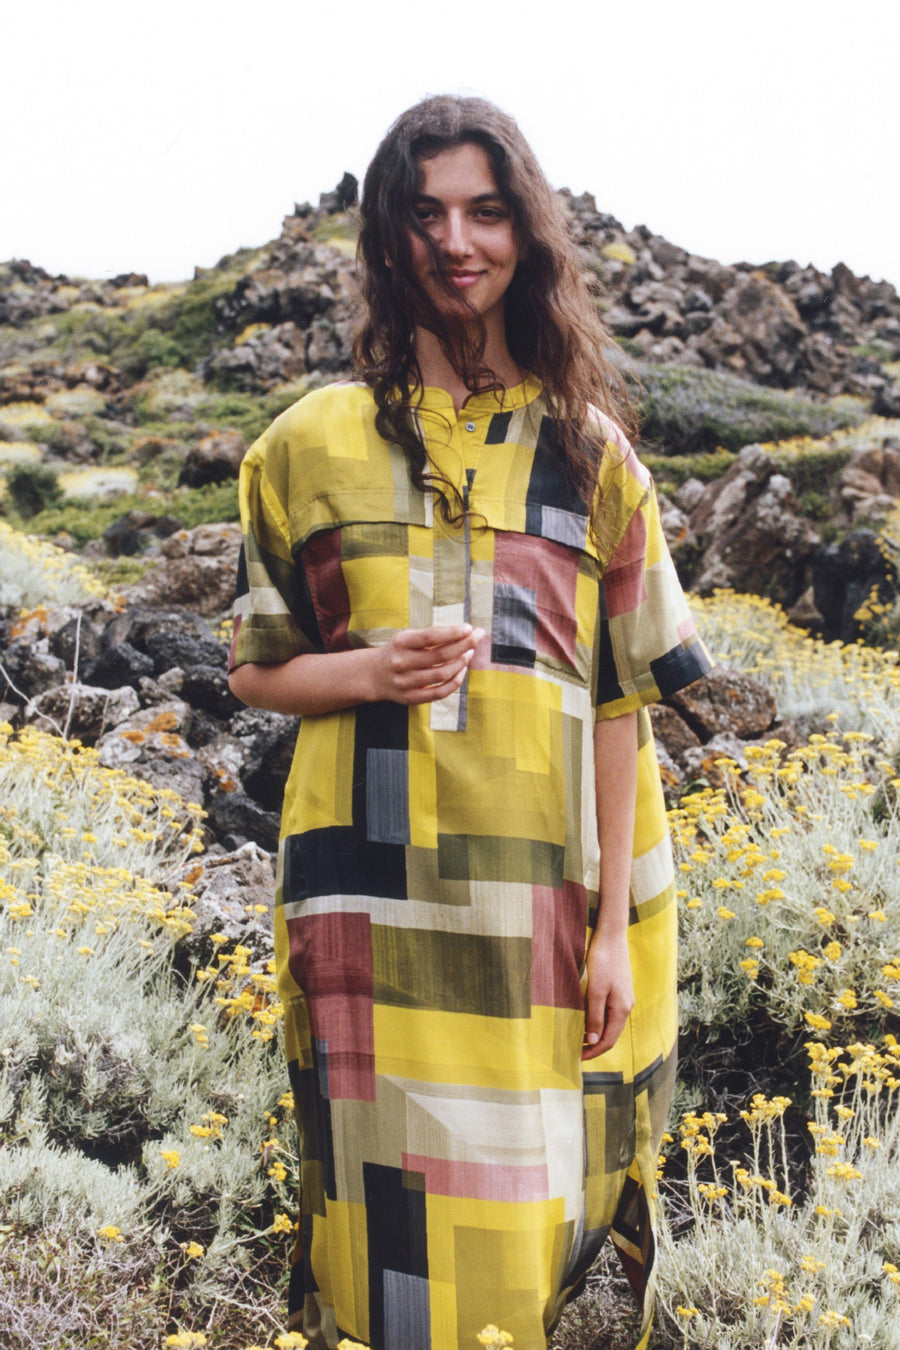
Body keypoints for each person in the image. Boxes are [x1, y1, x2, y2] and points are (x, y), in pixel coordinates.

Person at [228, 94, 711, 1350]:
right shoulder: (305, 447)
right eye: (426, 213)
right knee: (378, 1228)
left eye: (486, 212)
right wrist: (371, 671)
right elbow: (258, 672)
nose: (456, 241)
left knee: (520, 1220)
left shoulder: (589, 456)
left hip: (532, 901)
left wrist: (613, 929)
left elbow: (621, 702)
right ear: (387, 239)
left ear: (525, 234)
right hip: (365, 897)